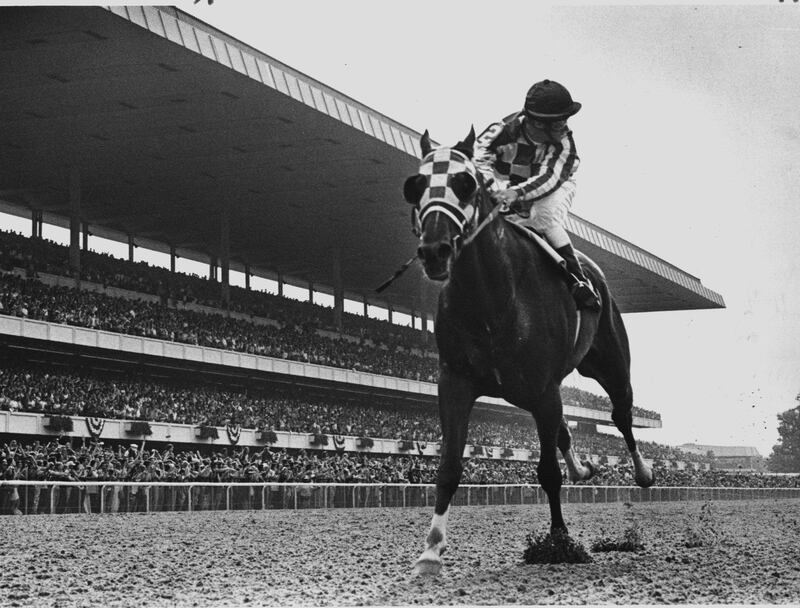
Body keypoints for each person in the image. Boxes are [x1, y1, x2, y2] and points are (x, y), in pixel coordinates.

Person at [474, 79, 601, 310]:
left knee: (543, 214)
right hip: (504, 183)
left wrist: (517, 193)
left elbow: (550, 178)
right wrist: (494, 189)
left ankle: (577, 277)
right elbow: (478, 157)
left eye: (564, 122)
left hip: (554, 185)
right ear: (537, 123)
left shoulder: (565, 144)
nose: (563, 129)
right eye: (557, 124)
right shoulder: (500, 130)